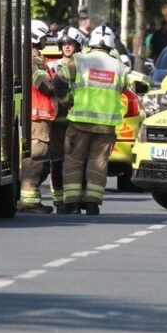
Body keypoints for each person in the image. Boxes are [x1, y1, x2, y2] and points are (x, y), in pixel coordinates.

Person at [53, 24, 128, 215]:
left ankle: (71, 204)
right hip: (105, 127)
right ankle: (93, 203)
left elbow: (59, 80)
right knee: (98, 163)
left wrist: (66, 101)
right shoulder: (120, 67)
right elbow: (122, 90)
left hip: (79, 122)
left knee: (73, 161)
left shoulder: (79, 61)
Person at [19, 20, 57, 213]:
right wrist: (61, 80)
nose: (44, 41)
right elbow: (46, 85)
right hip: (36, 115)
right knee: (34, 159)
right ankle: (28, 201)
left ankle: (31, 198)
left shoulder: (31, 56)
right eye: (42, 37)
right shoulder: (33, 59)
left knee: (38, 159)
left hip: (37, 115)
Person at [48, 26, 86, 212]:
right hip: (57, 122)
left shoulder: (83, 66)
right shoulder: (53, 67)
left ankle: (76, 200)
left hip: (78, 121)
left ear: (78, 45)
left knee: (77, 161)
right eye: (64, 43)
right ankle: (59, 200)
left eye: (71, 43)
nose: (67, 46)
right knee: (57, 161)